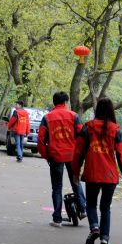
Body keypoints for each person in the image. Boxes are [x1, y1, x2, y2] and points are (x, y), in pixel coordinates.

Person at [71, 97, 122, 244]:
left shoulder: (87, 128)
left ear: (97, 109)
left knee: (91, 204)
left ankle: (94, 227)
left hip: (92, 173)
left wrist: (75, 172)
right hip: (110, 176)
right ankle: (104, 240)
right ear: (111, 111)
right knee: (106, 208)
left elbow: (78, 152)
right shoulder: (116, 130)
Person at [37, 91, 87, 227]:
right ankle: (82, 209)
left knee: (57, 187)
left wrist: (46, 154)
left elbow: (41, 139)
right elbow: (82, 136)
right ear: (65, 102)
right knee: (76, 182)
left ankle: (57, 218)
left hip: (55, 155)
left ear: (54, 103)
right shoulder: (74, 116)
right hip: (72, 156)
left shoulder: (47, 118)